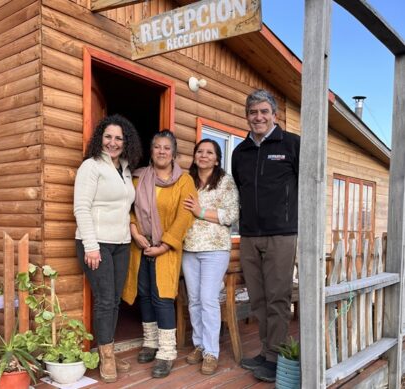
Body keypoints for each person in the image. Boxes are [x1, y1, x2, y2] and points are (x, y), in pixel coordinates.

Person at [231, 89, 300, 382]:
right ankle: (266, 351)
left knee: (277, 298)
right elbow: (240, 186)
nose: (258, 117)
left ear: (274, 114)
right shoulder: (240, 152)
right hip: (249, 235)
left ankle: (277, 356)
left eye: (263, 112)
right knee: (257, 298)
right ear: (247, 116)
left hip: (281, 233)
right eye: (252, 112)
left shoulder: (292, 144)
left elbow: (308, 184)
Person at [73, 114, 142, 383]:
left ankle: (108, 349)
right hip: (96, 243)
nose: (113, 142)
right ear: (100, 138)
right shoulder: (91, 167)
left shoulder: (124, 168)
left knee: (114, 300)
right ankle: (107, 357)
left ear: (126, 143)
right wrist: (91, 246)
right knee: (104, 300)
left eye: (118, 138)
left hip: (121, 243)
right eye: (108, 137)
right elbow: (81, 207)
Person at [122, 130, 196, 378]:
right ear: (151, 151)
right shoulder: (138, 178)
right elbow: (129, 209)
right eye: (157, 147)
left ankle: (166, 351)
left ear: (174, 152)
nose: (162, 151)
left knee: (162, 297)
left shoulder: (184, 181)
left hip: (166, 249)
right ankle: (151, 342)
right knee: (144, 294)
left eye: (167, 147)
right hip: (141, 246)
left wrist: (165, 245)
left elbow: (185, 216)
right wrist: (134, 231)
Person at [182, 139, 239, 375]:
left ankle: (211, 352)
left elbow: (232, 214)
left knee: (207, 299)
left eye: (209, 152)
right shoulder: (187, 180)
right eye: (200, 151)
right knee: (194, 299)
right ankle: (199, 345)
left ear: (217, 158)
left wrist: (201, 212)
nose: (204, 155)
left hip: (215, 248)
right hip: (189, 247)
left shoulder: (225, 181)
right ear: (195, 156)